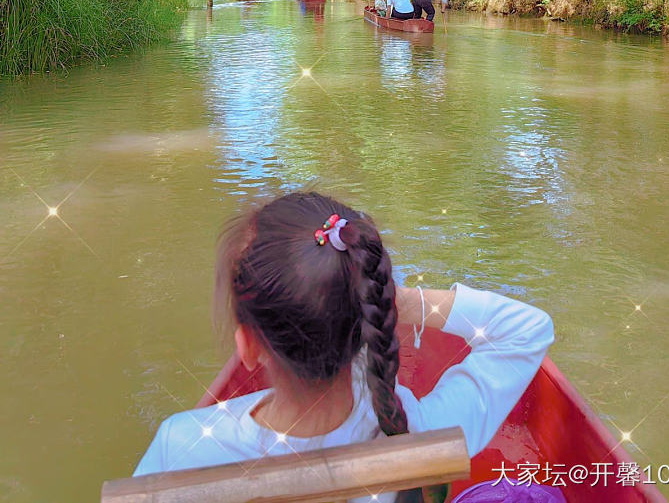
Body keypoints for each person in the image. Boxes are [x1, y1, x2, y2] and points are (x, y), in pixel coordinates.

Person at [134, 191, 554, 503]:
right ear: (372, 317)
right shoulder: (416, 425)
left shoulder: (183, 445)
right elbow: (528, 330)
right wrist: (404, 301)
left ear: (248, 346)